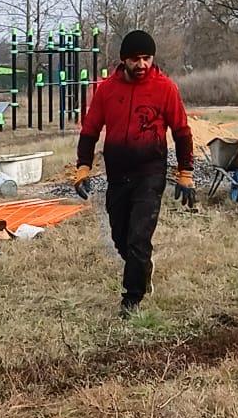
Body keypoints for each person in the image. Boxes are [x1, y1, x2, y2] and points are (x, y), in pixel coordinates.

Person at [70, 29, 194, 316]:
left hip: (150, 172)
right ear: (123, 60)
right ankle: (142, 268)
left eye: (147, 58)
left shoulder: (165, 88)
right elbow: (89, 131)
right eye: (135, 59)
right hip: (117, 173)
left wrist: (185, 171)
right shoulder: (106, 90)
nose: (142, 65)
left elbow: (182, 131)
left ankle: (132, 299)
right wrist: (83, 167)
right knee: (121, 238)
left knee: (139, 237)